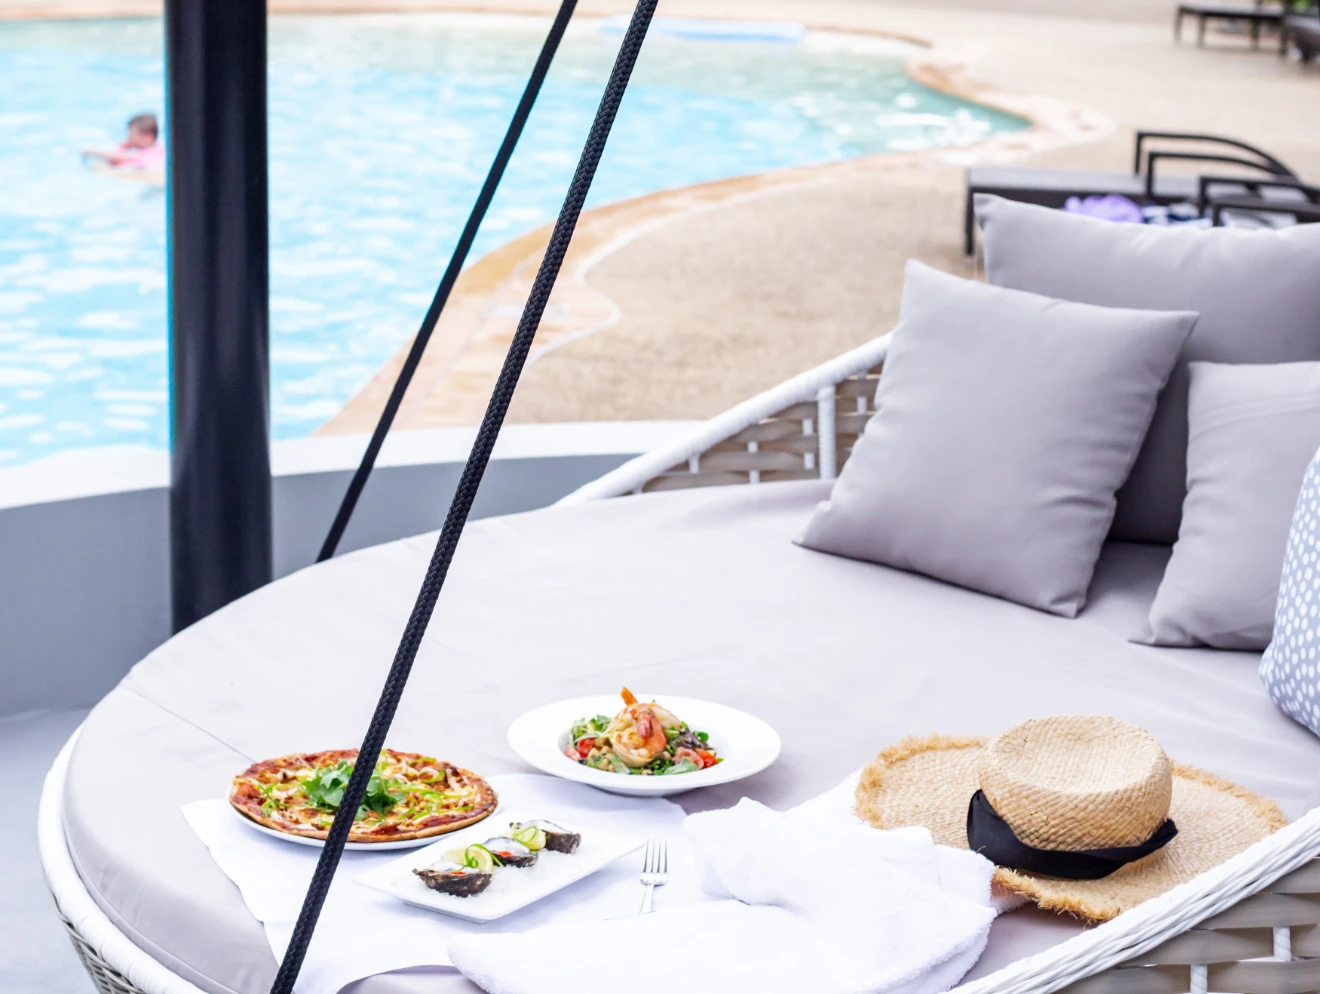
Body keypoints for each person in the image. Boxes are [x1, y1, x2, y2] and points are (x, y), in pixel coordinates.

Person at [83, 113, 165, 172]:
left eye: (132, 134)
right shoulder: (162, 148)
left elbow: (117, 159)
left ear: (148, 137)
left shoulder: (151, 152)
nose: (129, 138)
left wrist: (92, 151)